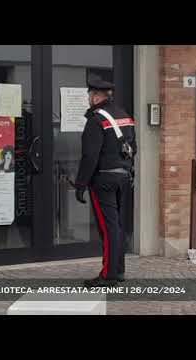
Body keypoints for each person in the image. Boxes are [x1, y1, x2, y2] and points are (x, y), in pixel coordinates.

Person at [74, 74, 137, 288]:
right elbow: (133, 148)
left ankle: (109, 275)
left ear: (96, 96)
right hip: (123, 177)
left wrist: (81, 184)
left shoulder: (95, 120)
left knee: (108, 227)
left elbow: (89, 156)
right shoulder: (124, 115)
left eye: (90, 95)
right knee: (116, 225)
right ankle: (118, 270)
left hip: (103, 180)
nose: (89, 99)